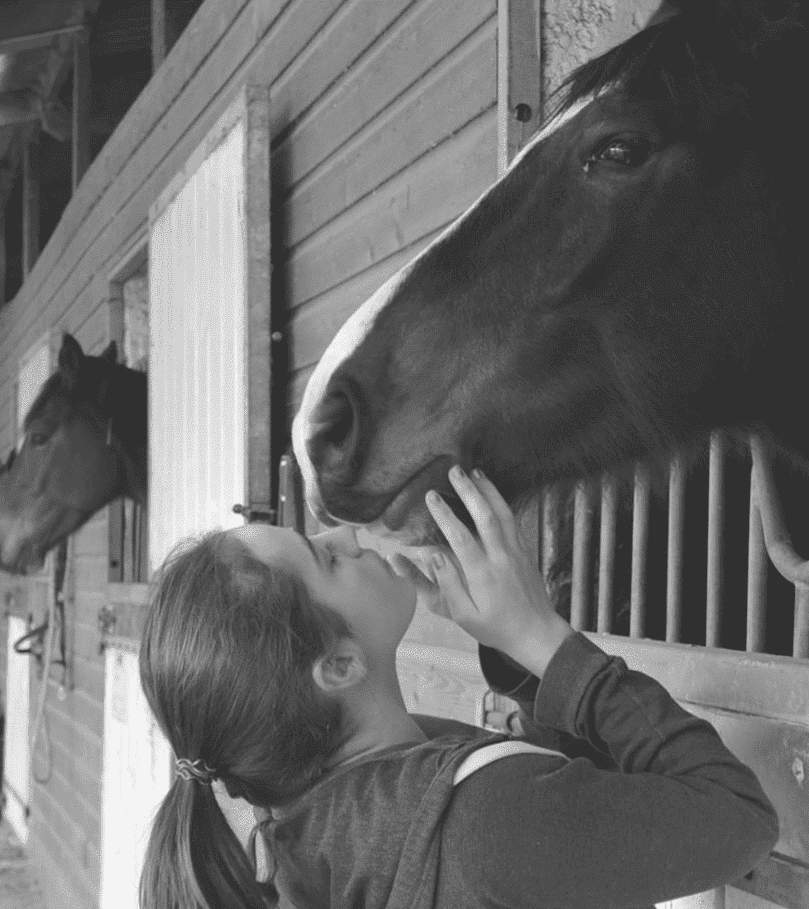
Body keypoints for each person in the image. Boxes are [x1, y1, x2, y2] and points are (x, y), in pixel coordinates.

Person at [138, 466, 778, 909]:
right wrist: (540, 637)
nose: (346, 535)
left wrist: (514, 649)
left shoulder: (308, 832)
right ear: (337, 668)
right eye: (325, 558)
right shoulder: (481, 821)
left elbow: (574, 797)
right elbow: (738, 817)